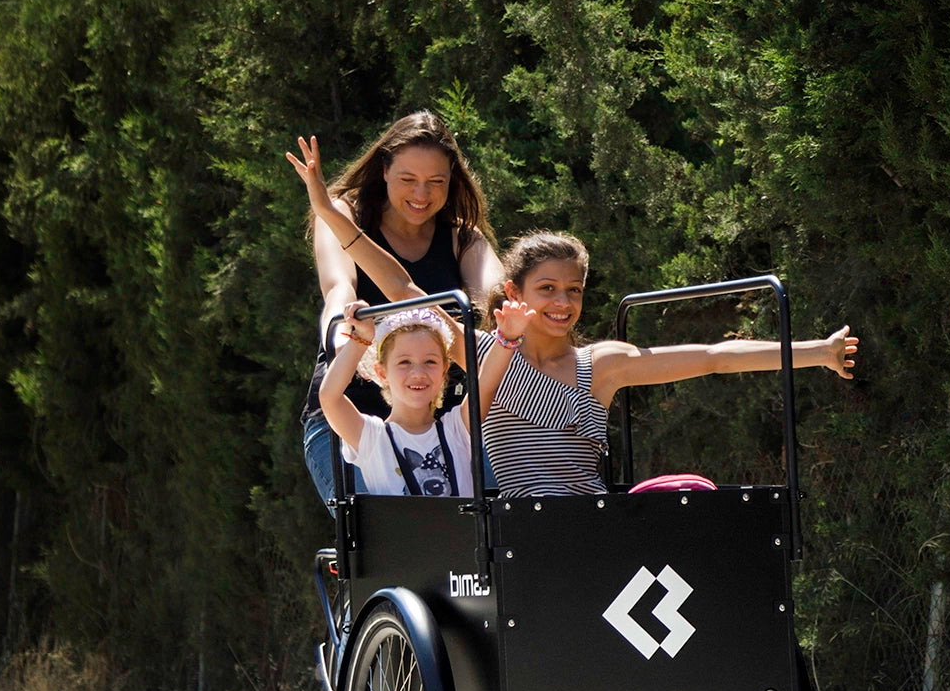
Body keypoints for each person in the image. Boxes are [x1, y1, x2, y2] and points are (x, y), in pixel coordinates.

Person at [477, 232, 859, 497]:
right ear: (514, 291)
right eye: (547, 289)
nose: (563, 302)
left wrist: (821, 352)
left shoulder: (601, 365)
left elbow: (713, 358)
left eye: (573, 290)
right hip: (520, 527)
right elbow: (423, 321)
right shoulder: (486, 351)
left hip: (589, 521)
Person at [288, 114, 504, 514]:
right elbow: (339, 291)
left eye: (436, 182)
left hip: (445, 425)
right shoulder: (342, 214)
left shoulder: (464, 238)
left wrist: (508, 317)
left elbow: (495, 301)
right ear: (384, 170)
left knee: (498, 522)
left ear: (452, 181)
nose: (421, 194)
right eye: (408, 179)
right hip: (354, 416)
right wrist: (348, 342)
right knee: (382, 542)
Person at [319, 297, 534, 497]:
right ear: (382, 372)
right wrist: (361, 339)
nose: (418, 373)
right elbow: (330, 398)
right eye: (404, 362)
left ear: (443, 371)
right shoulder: (372, 437)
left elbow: (486, 384)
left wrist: (507, 337)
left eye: (430, 362)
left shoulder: (456, 428)